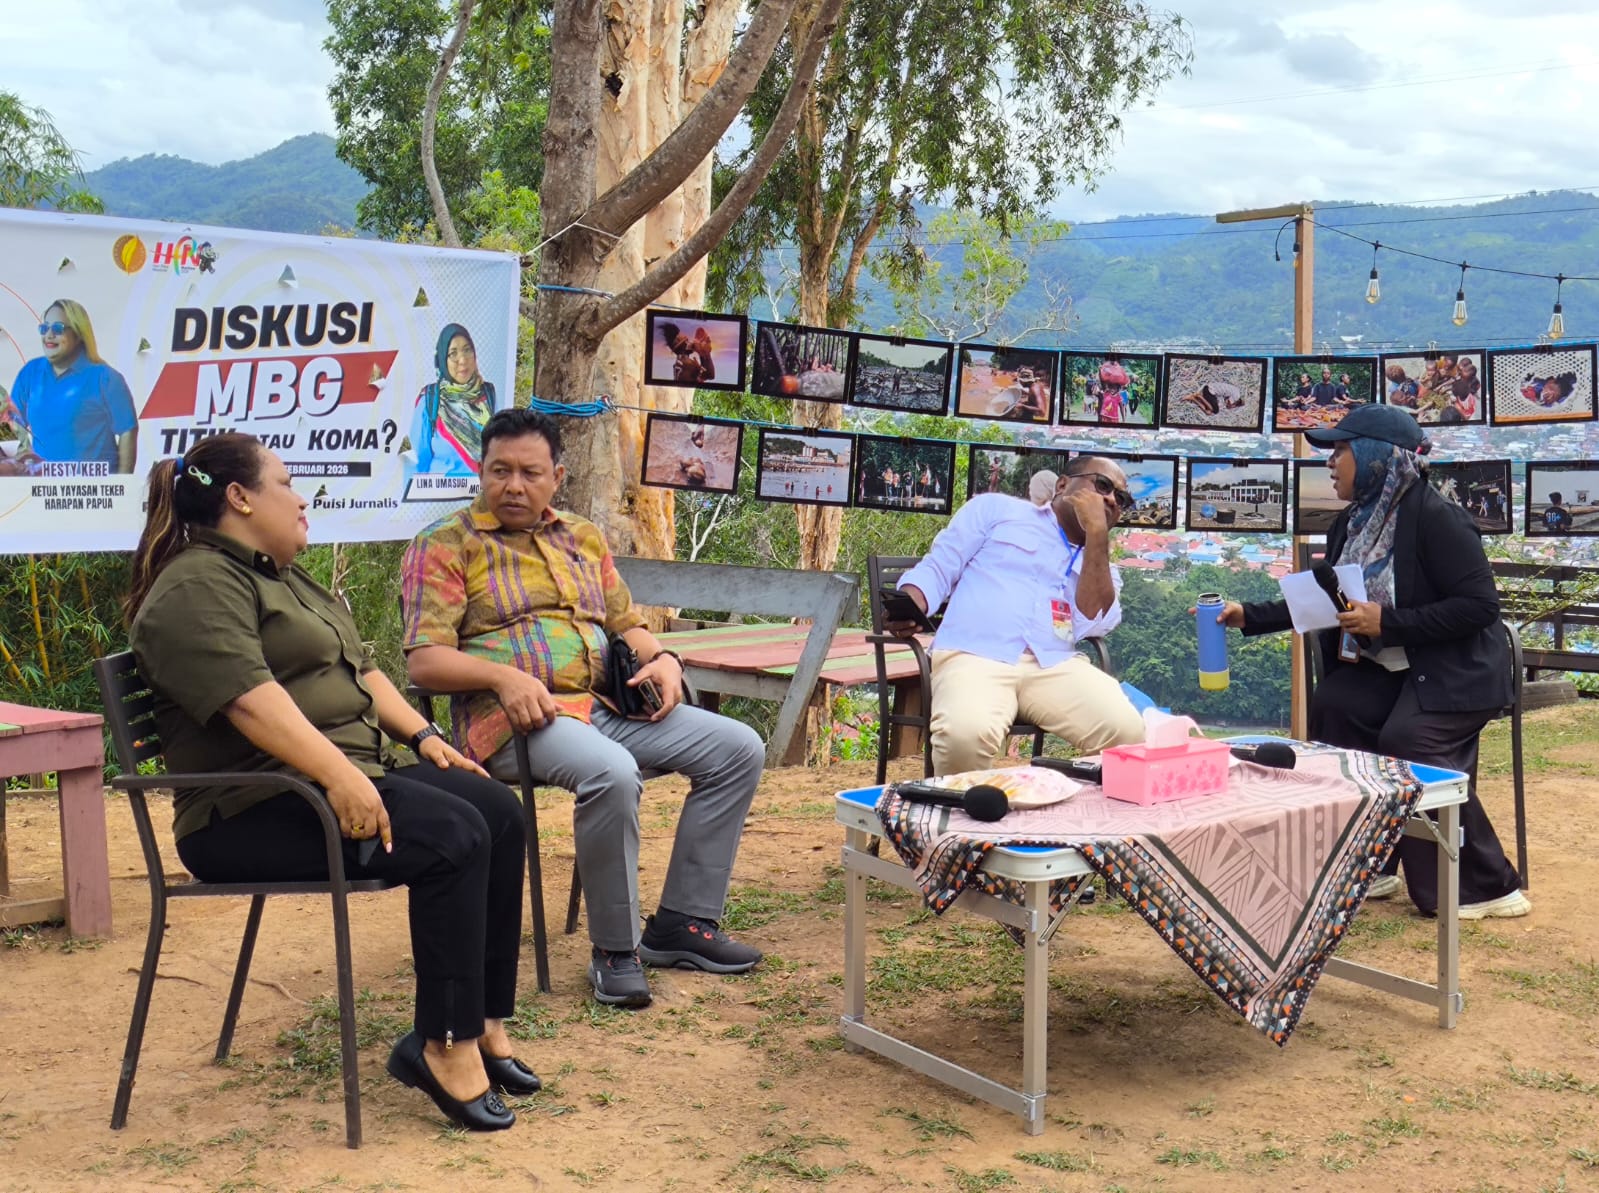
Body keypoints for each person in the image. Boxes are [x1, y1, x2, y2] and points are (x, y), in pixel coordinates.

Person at [125, 432, 534, 1132]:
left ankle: (483, 1022)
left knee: (497, 811)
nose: (301, 498)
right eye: (287, 483)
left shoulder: (278, 574)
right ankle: (443, 1044)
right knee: (452, 836)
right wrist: (339, 775)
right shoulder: (196, 585)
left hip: (329, 777)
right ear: (240, 497)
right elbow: (250, 702)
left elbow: (362, 671)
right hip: (251, 807)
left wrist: (425, 738)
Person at [401, 409, 765, 1010]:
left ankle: (682, 922)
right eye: (499, 471)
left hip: (605, 705)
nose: (513, 486)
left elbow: (627, 625)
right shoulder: (443, 544)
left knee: (738, 748)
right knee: (611, 771)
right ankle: (615, 951)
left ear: (557, 477)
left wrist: (663, 660)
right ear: (479, 470)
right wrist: (502, 677)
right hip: (515, 721)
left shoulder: (582, 537)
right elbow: (424, 662)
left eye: (530, 473)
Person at [1206, 405, 1529, 920]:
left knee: (1410, 743)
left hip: (1455, 673)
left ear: (1377, 455)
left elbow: (1479, 607)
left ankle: (1484, 886)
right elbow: (1325, 598)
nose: (1330, 462)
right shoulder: (1352, 523)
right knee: (1336, 708)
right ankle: (1369, 860)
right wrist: (1250, 615)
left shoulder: (1437, 518)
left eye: (1340, 450)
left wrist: (1389, 622)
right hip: (1394, 672)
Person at [887, 456, 1144, 775]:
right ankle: (971, 809)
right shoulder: (996, 511)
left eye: (1121, 498)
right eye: (1102, 485)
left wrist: (1096, 536)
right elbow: (939, 567)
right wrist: (911, 602)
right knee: (963, 738)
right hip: (975, 655)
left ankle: (1074, 807)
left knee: (1128, 732)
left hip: (1054, 664)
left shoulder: (1104, 566)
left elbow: (1093, 617)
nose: (1111, 499)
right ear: (1063, 485)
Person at [8, 299, 137, 471]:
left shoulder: (106, 378)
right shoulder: (30, 373)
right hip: (42, 484)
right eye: (44, 328)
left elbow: (128, 430)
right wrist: (21, 458)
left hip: (95, 485)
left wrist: (123, 483)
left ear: (78, 334)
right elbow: (11, 421)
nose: (49, 335)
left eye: (58, 328)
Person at [410, 323, 497, 475]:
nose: (462, 360)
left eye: (467, 350)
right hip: (440, 489)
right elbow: (419, 462)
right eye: (453, 354)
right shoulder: (431, 400)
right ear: (443, 360)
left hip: (483, 489)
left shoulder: (489, 396)